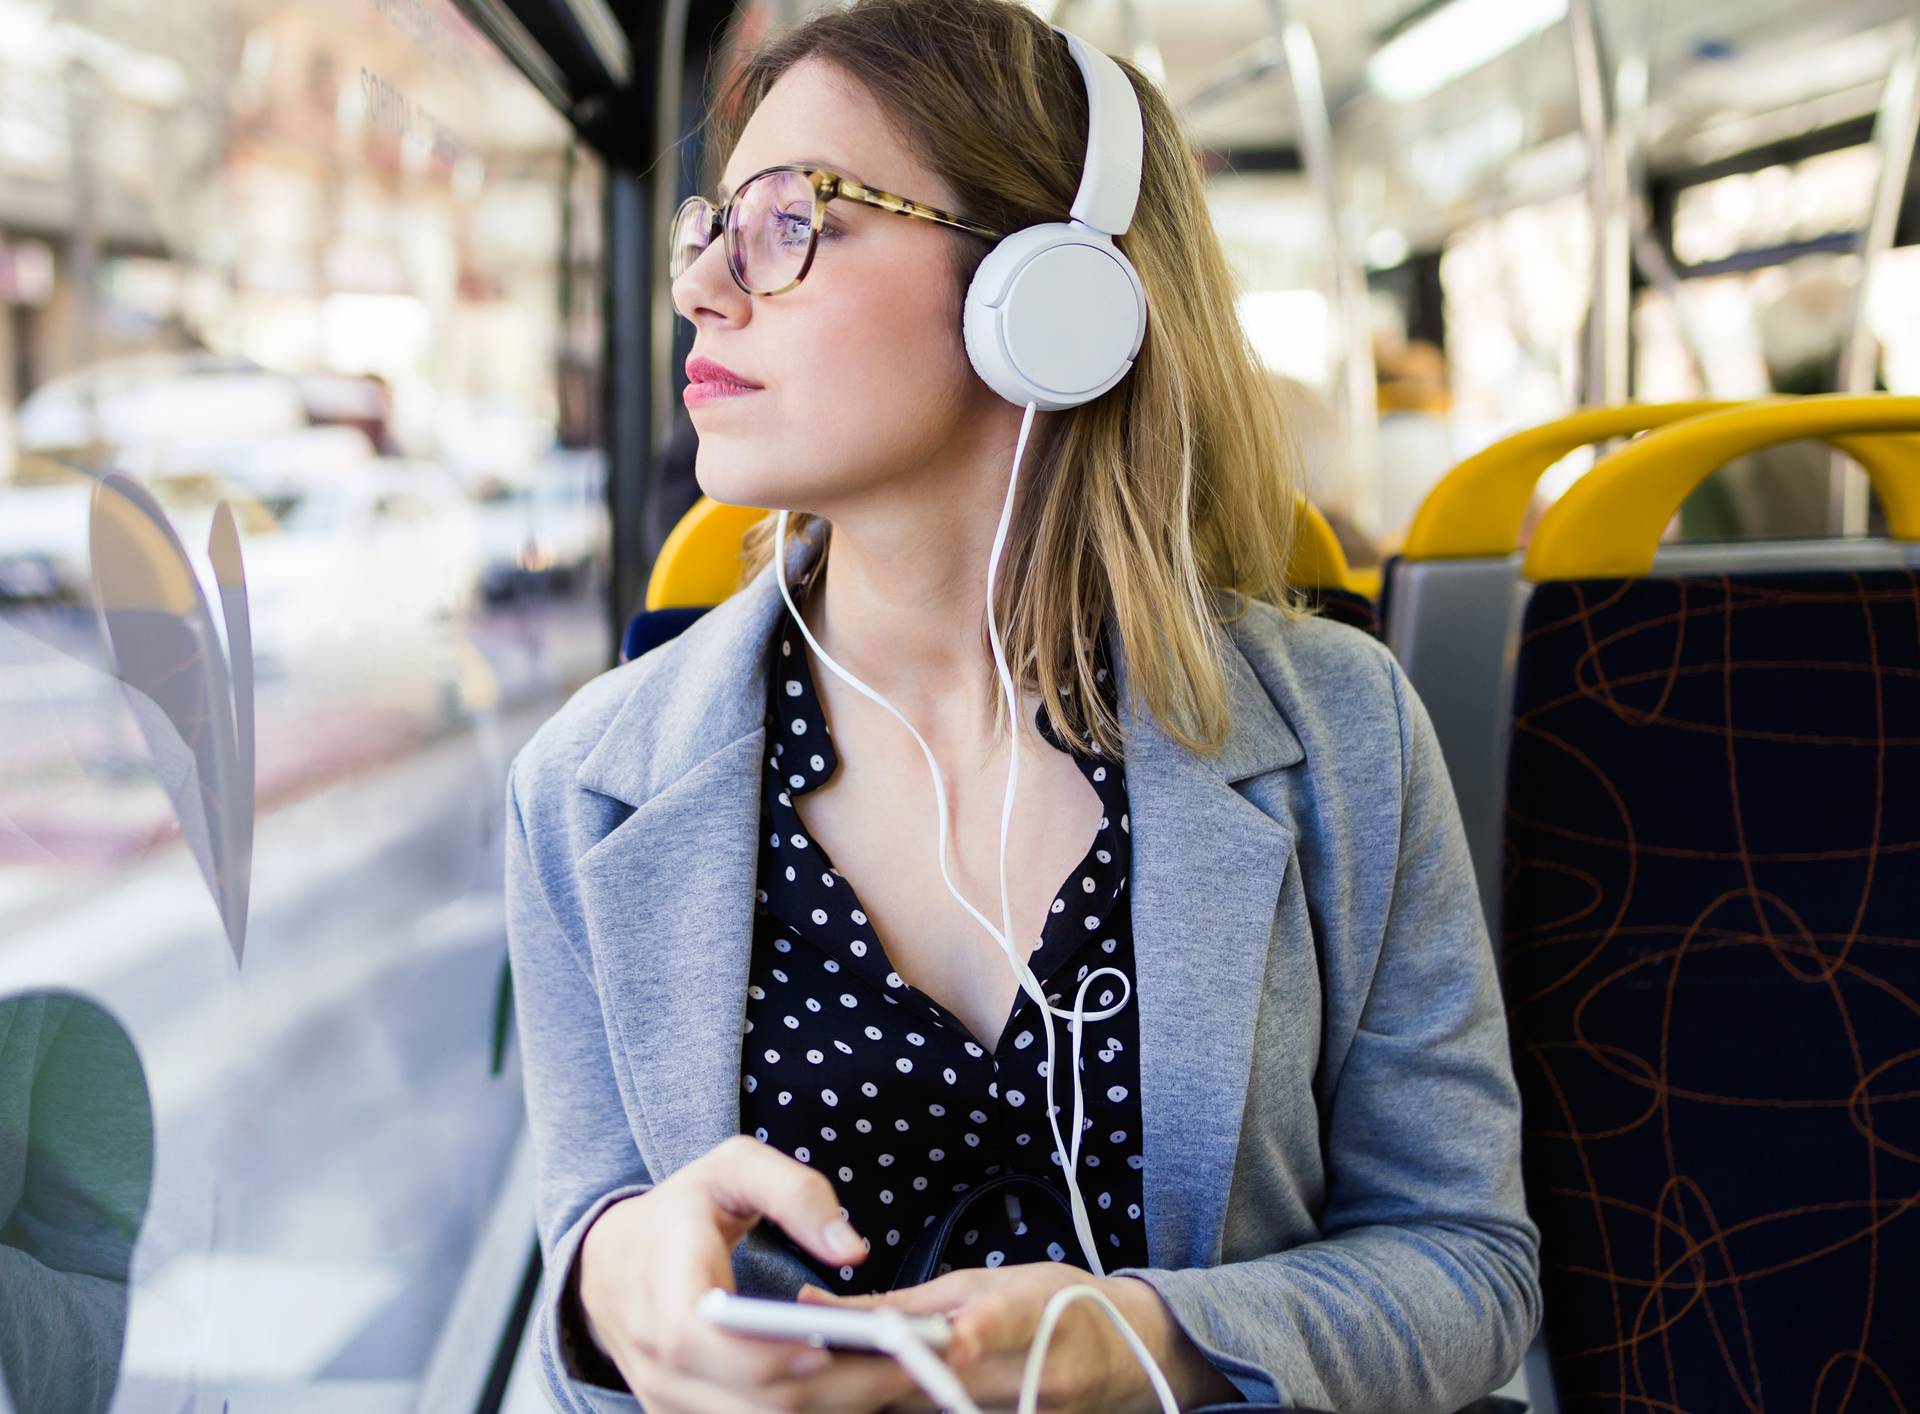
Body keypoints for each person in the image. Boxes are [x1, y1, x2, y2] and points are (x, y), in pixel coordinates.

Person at [504, 2, 1539, 1411]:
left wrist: (1147, 1341)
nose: (702, 287)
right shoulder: (582, 786)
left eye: (790, 220)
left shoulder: (1345, 735)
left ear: (1046, 292)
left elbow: (1471, 1268)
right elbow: (590, 1295)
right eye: (710, 227)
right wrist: (612, 1283)